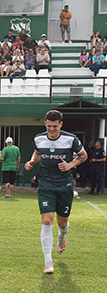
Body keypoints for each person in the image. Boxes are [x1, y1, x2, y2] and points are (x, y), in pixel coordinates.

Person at [24, 109, 87, 274]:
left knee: (62, 222)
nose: (51, 130)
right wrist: (32, 161)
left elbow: (83, 155)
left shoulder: (70, 139)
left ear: (61, 125)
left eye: (55, 127)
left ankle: (62, 235)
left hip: (64, 185)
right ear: (45, 124)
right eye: (49, 126)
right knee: (46, 221)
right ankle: (48, 261)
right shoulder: (38, 139)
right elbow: (37, 153)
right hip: (45, 184)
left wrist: (70, 165)